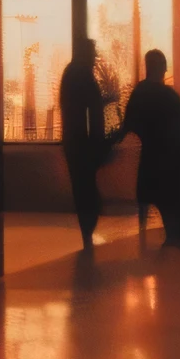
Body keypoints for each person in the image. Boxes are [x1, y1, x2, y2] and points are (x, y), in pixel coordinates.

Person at [109, 49, 180, 246]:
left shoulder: (140, 95)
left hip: (155, 167)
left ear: (147, 67)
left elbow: (127, 127)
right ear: (164, 68)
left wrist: (107, 143)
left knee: (172, 226)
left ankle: (151, 244)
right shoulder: (171, 98)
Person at [59, 39, 106, 250]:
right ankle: (88, 229)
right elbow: (94, 113)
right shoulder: (84, 76)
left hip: (72, 141)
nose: (95, 59)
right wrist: (99, 142)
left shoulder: (69, 74)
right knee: (87, 187)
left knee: (81, 187)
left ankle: (86, 232)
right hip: (84, 142)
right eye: (93, 54)